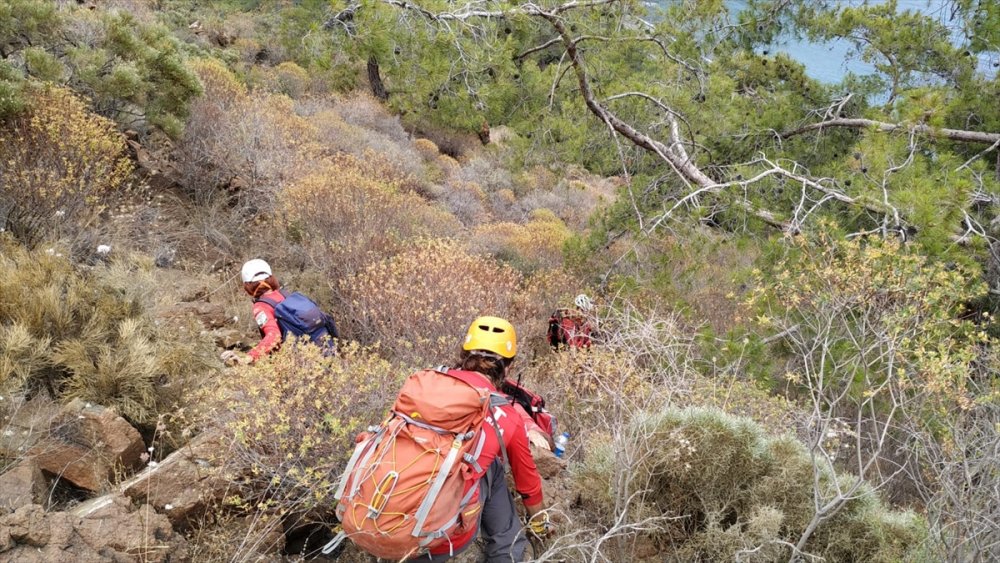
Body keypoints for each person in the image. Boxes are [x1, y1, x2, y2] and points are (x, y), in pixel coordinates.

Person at [221, 259, 338, 365]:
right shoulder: (286, 294)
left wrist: (248, 358)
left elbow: (274, 336)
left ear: (247, 285)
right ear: (271, 278)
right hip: (326, 348)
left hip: (302, 361)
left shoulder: (261, 307)